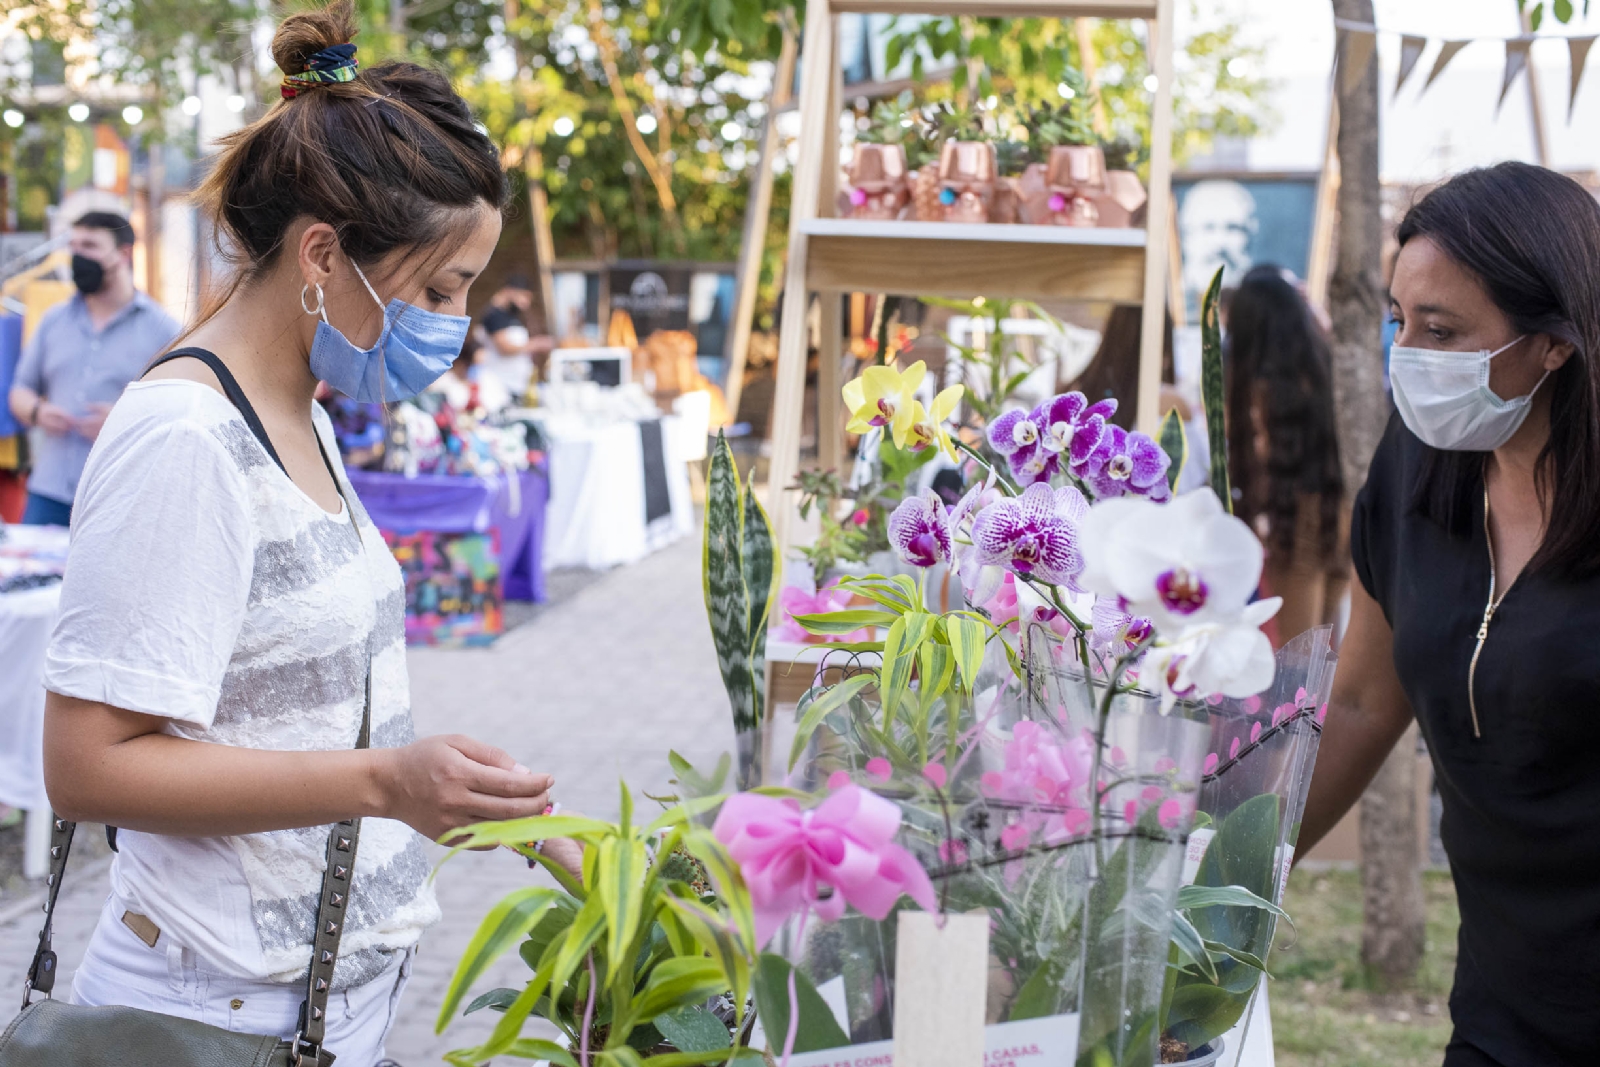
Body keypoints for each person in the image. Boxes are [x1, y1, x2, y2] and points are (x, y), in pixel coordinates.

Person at [37, 5, 567, 1063]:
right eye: (438, 289)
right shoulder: (186, 437)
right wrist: (384, 781)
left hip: (308, 1006)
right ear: (322, 253)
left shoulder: (301, 412)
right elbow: (88, 766)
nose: (451, 324)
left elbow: (288, 703)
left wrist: (502, 814)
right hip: (204, 1014)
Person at [1300, 162, 1600, 1066]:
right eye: (1400, 321)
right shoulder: (1416, 466)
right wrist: (1210, 879)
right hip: (1501, 1017)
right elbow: (1360, 703)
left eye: (1442, 330)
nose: (1410, 355)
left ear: (1553, 344)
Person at [6, 211, 180, 525]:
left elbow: (180, 413)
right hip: (48, 492)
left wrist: (124, 423)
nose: (77, 256)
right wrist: (37, 412)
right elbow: (20, 389)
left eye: (89, 246)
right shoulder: (53, 320)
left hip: (122, 496)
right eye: (73, 247)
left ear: (123, 254)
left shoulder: (164, 330)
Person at [1223, 264, 1345, 641]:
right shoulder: (1321, 364)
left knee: (1298, 655)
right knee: (1325, 646)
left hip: (1293, 520)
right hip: (1338, 513)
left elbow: (1260, 454)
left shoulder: (1257, 386)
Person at [473, 274, 550, 403]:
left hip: (516, 383)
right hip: (499, 386)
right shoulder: (494, 315)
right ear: (509, 291)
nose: (525, 303)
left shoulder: (511, 315)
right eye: (523, 296)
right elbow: (504, 348)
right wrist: (537, 344)